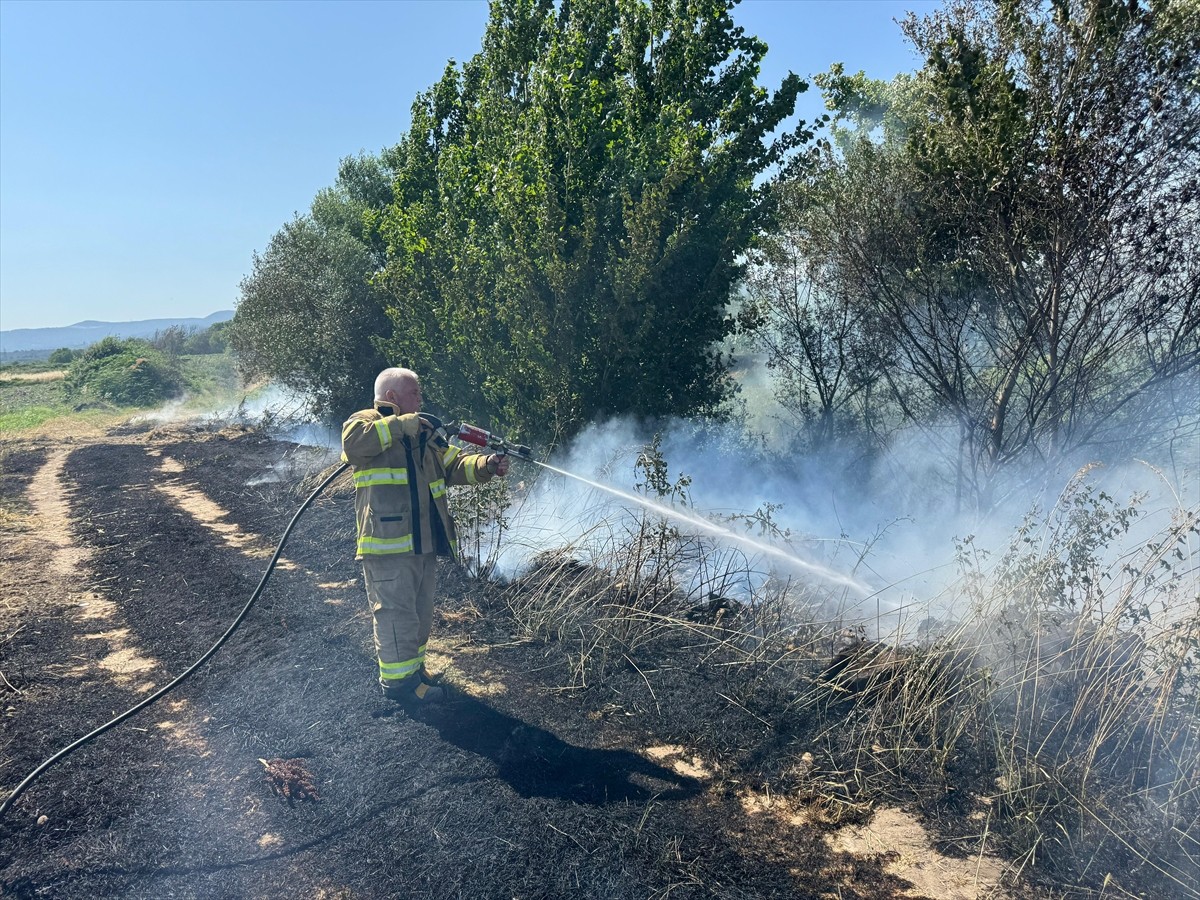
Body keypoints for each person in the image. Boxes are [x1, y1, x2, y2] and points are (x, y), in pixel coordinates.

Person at [340, 367, 509, 709]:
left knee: (419, 613)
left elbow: (453, 464)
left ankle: (414, 672)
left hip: (422, 544)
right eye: (415, 393)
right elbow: (353, 446)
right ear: (392, 397)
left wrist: (487, 464)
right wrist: (402, 424)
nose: (421, 400)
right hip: (387, 546)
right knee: (395, 615)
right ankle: (400, 685)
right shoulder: (364, 422)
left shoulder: (424, 434)